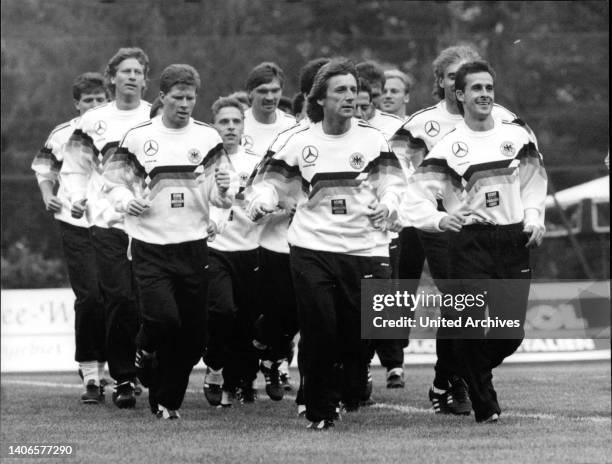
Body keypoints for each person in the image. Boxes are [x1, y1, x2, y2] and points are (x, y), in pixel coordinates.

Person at [248, 59, 404, 430]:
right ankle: (319, 409)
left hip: (365, 248)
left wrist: (390, 204)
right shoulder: (298, 140)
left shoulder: (373, 140)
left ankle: (343, 383)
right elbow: (267, 182)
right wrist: (263, 198)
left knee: (360, 335)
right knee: (320, 328)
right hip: (312, 247)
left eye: (353, 90)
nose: (350, 97)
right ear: (319, 99)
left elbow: (395, 185)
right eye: (341, 91)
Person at [401, 60, 547, 423]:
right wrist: (439, 219)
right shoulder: (449, 148)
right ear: (460, 94)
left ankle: (468, 372)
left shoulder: (517, 136)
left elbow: (534, 184)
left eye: (489, 88)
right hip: (469, 243)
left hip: (514, 240)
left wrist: (533, 218)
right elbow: (414, 197)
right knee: (465, 323)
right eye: (476, 89)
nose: (484, 94)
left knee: (509, 333)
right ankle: (486, 405)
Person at [103, 64, 232, 420]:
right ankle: (143, 350)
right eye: (178, 97)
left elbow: (224, 197)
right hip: (150, 245)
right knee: (163, 320)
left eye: (191, 97)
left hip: (193, 247)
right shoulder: (139, 137)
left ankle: (167, 400)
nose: (185, 104)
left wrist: (223, 190)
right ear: (162, 97)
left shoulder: (208, 138)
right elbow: (112, 183)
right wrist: (125, 201)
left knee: (193, 336)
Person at [62, 47, 152, 409]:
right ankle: (125, 378)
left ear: (147, 79)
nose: (132, 76)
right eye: (125, 71)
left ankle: (146, 357)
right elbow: (74, 167)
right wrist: (78, 196)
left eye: (138, 71)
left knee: (150, 305)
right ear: (112, 77)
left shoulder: (157, 117)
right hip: (106, 221)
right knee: (118, 299)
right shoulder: (93, 121)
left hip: (153, 226)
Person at [31, 72, 109, 404]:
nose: (94, 105)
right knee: (90, 296)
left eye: (99, 99)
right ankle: (91, 374)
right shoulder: (63, 134)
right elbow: (44, 170)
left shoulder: (121, 129)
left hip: (115, 224)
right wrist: (48, 194)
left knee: (117, 297)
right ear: (77, 104)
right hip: (75, 224)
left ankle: (119, 370)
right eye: (87, 100)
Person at [203, 96, 266, 407]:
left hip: (251, 250)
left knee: (247, 322)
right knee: (222, 311)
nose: (229, 127)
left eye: (235, 121)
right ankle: (213, 366)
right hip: (216, 250)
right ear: (213, 126)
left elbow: (269, 198)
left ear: (243, 125)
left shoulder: (258, 162)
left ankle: (238, 381)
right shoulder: (202, 162)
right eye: (223, 122)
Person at [242, 61, 298, 400]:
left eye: (275, 91)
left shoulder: (292, 127)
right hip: (244, 236)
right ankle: (252, 369)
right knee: (253, 307)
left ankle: (273, 354)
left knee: (292, 309)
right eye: (263, 91)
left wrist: (290, 203)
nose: (270, 97)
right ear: (251, 93)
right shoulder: (238, 124)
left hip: (284, 235)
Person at [357, 63, 407, 391]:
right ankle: (358, 367)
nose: (368, 104)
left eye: (373, 97)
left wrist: (396, 210)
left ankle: (393, 363)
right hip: (344, 234)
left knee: (388, 297)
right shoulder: (331, 130)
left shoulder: (395, 129)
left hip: (391, 227)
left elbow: (407, 175)